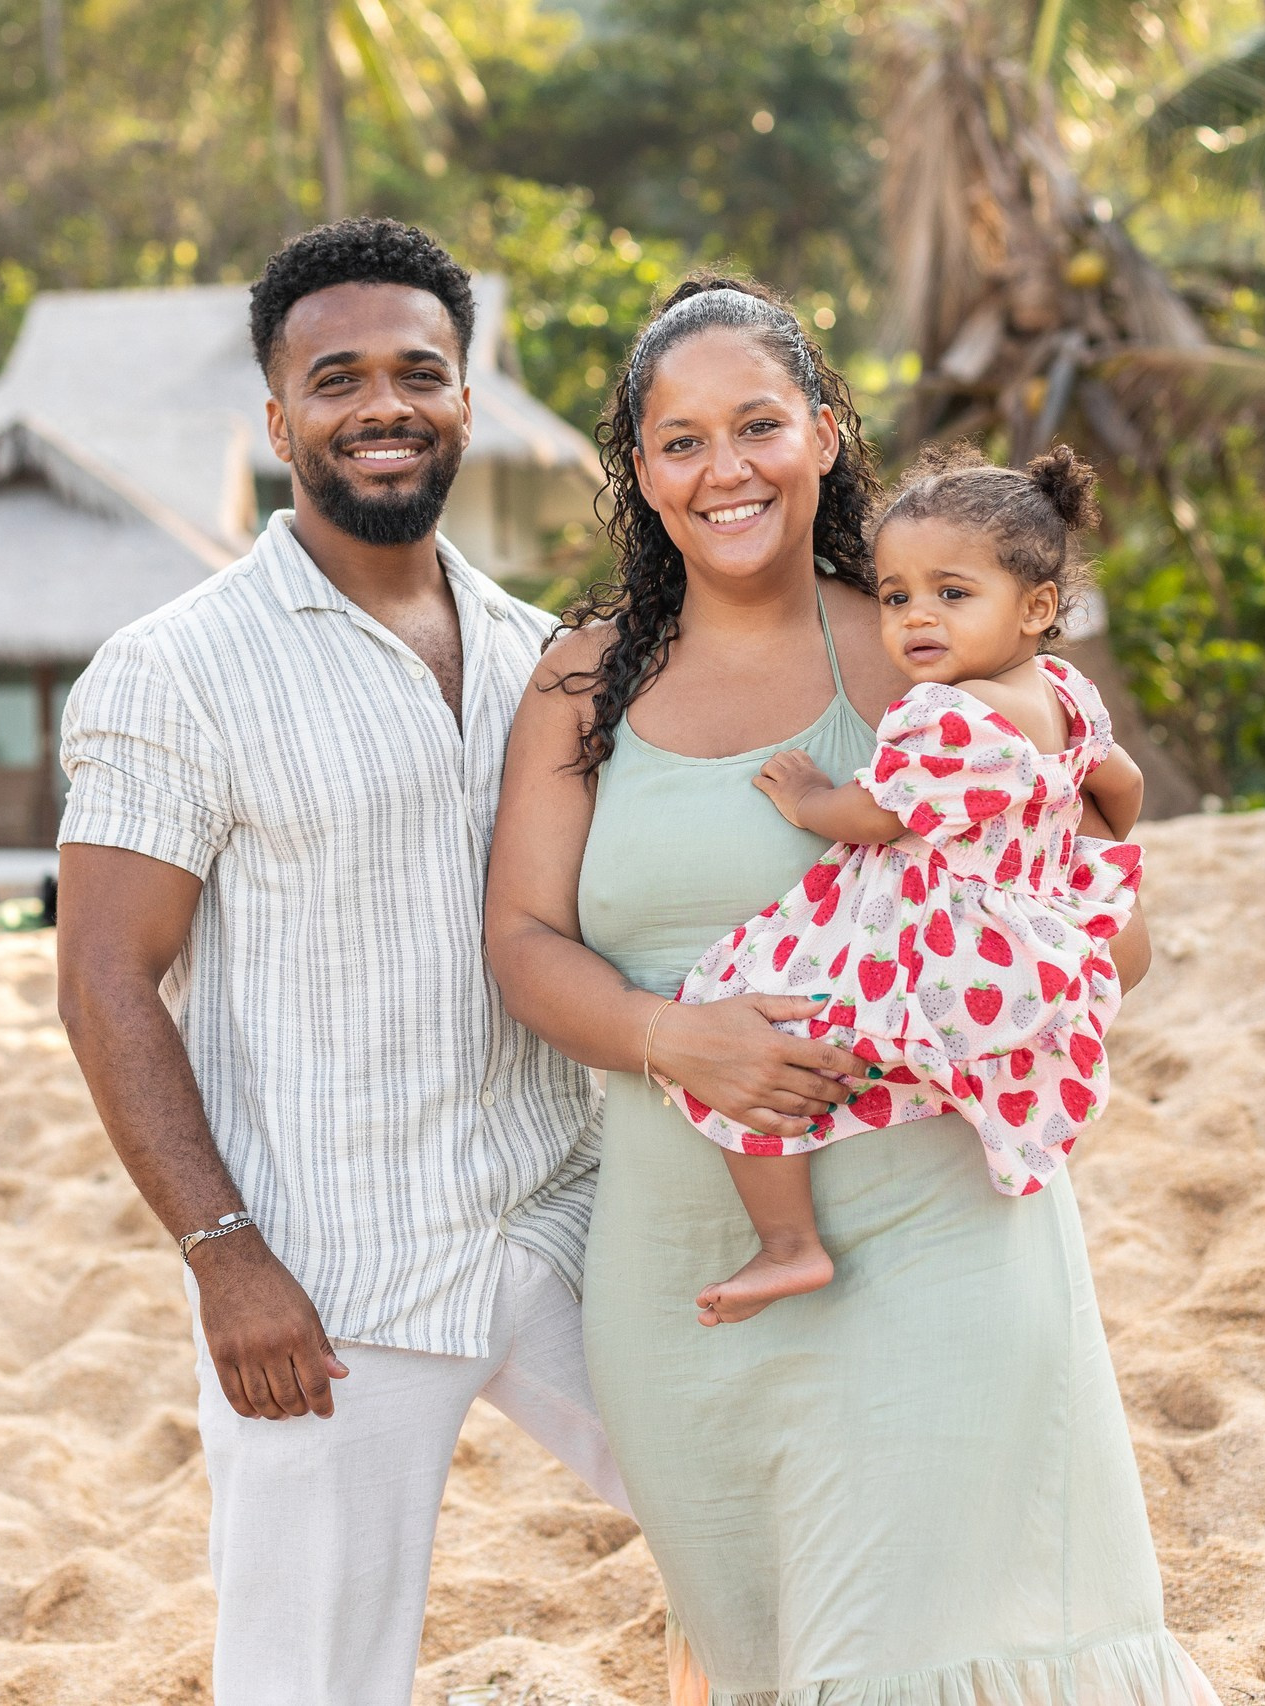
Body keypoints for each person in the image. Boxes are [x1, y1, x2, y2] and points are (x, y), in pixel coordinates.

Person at [485, 277, 1220, 1705]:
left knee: (911, 1660)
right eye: (681, 440)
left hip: (931, 1241)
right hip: (684, 1272)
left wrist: (985, 964)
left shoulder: (927, 646)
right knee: (769, 1668)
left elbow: (1105, 925)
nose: (725, 468)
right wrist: (675, 1037)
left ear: (824, 433)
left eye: (758, 424)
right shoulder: (581, 679)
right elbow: (521, 942)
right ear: (640, 468)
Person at [54, 217, 627, 1706]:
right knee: (312, 1681)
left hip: (564, 1221)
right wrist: (223, 1254)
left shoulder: (544, 655)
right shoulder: (176, 668)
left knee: (764, 1526)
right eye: (338, 378)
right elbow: (105, 980)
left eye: (418, 373)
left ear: (466, 399)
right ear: (278, 418)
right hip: (325, 1275)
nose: (384, 405)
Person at [663, 441, 1150, 1324]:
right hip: (1033, 934)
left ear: (1037, 606)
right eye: (896, 597)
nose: (917, 617)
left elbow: (877, 816)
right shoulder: (1066, 693)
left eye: (952, 594)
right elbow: (1121, 783)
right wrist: (1080, 853)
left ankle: (789, 1244)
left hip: (951, 943)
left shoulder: (950, 714)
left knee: (740, 1002)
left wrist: (808, 799)